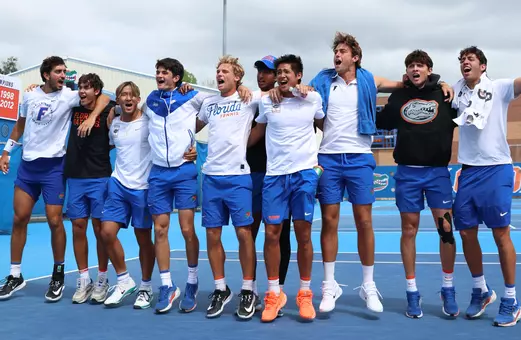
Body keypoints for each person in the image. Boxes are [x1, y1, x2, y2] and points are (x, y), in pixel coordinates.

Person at [307, 32, 452, 313]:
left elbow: (406, 83)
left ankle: (368, 286)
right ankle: (329, 285)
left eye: (342, 51)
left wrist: (440, 81)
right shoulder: (322, 80)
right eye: (335, 51)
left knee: (364, 221)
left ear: (355, 57)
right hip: (329, 158)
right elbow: (302, 92)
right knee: (329, 221)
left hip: (360, 157)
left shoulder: (370, 80)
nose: (337, 55)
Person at [0, 56, 110, 302]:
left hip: (54, 168)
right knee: (20, 218)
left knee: (54, 220)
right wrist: (6, 151)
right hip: (28, 167)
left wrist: (93, 117)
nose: (64, 75)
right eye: (59, 71)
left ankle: (58, 274)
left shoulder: (70, 96)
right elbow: (20, 125)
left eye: (65, 71)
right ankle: (15, 275)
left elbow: (103, 97)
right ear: (46, 74)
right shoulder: (29, 97)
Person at [376, 50, 458, 318]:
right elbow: (377, 118)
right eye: (410, 65)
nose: (415, 69)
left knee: (446, 229)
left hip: (437, 173)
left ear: (429, 69)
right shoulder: (399, 96)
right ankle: (412, 291)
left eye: (419, 65)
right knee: (408, 231)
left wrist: (445, 84)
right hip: (408, 174)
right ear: (407, 71)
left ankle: (448, 288)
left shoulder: (445, 95)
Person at [249, 54, 325, 322]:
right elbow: (252, 133)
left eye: (286, 72)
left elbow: (327, 127)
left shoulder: (312, 99)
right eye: (278, 72)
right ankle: (274, 293)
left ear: (298, 76)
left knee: (304, 235)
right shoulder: (267, 100)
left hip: (304, 175)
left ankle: (305, 293)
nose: (281, 76)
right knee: (271, 234)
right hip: (275, 177)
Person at [451, 46, 521, 327]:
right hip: (468, 171)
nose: (465, 63)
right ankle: (481, 290)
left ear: (483, 65)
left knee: (500, 234)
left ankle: (511, 298)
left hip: (496, 169)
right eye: (462, 60)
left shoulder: (500, 87)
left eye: (470, 59)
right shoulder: (455, 90)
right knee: (466, 233)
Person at [195, 55, 261, 320]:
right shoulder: (208, 103)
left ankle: (248, 289)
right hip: (211, 177)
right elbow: (189, 127)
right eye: (217, 71)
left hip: (238, 177)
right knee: (212, 235)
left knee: (244, 234)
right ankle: (221, 288)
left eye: (225, 71)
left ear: (237, 77)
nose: (219, 74)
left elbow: (276, 93)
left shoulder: (249, 98)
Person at [142, 58, 203, 314]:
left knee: (188, 229)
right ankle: (167, 286)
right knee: (160, 230)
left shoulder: (192, 97)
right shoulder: (150, 101)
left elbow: (219, 104)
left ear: (176, 77)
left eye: (164, 72)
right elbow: (123, 108)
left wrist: (193, 140)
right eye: (157, 71)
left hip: (184, 171)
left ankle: (192, 281)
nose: (159, 75)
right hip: (157, 173)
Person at [100, 81, 156, 309]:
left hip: (143, 187)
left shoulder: (148, 120)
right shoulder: (113, 124)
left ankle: (146, 287)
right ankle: (124, 280)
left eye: (132, 95)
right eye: (123, 95)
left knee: (143, 238)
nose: (128, 98)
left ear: (138, 98)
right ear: (119, 100)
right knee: (106, 232)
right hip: (118, 184)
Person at [247, 55, 292, 316]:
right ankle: (250, 289)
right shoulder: (249, 99)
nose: (262, 75)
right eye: (259, 71)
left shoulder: (291, 100)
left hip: (280, 175)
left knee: (280, 235)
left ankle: (278, 290)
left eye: (267, 71)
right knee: (249, 234)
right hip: (252, 174)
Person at [64, 73, 113, 304]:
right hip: (75, 176)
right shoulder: (73, 106)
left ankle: (102, 278)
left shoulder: (108, 109)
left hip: (100, 176)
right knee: (77, 226)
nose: (82, 91)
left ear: (97, 91)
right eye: (81, 87)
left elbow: (110, 98)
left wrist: (93, 115)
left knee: (100, 229)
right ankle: (84, 278)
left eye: (88, 88)